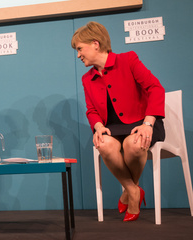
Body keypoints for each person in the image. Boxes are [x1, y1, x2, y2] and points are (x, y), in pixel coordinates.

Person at [71, 22, 165, 221]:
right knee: (103, 145)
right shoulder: (87, 79)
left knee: (134, 143)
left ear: (95, 44)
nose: (78, 55)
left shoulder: (128, 59)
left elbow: (156, 88)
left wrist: (148, 123)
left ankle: (129, 192)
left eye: (80, 48)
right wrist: (97, 126)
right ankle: (133, 190)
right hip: (112, 129)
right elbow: (92, 110)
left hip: (142, 123)